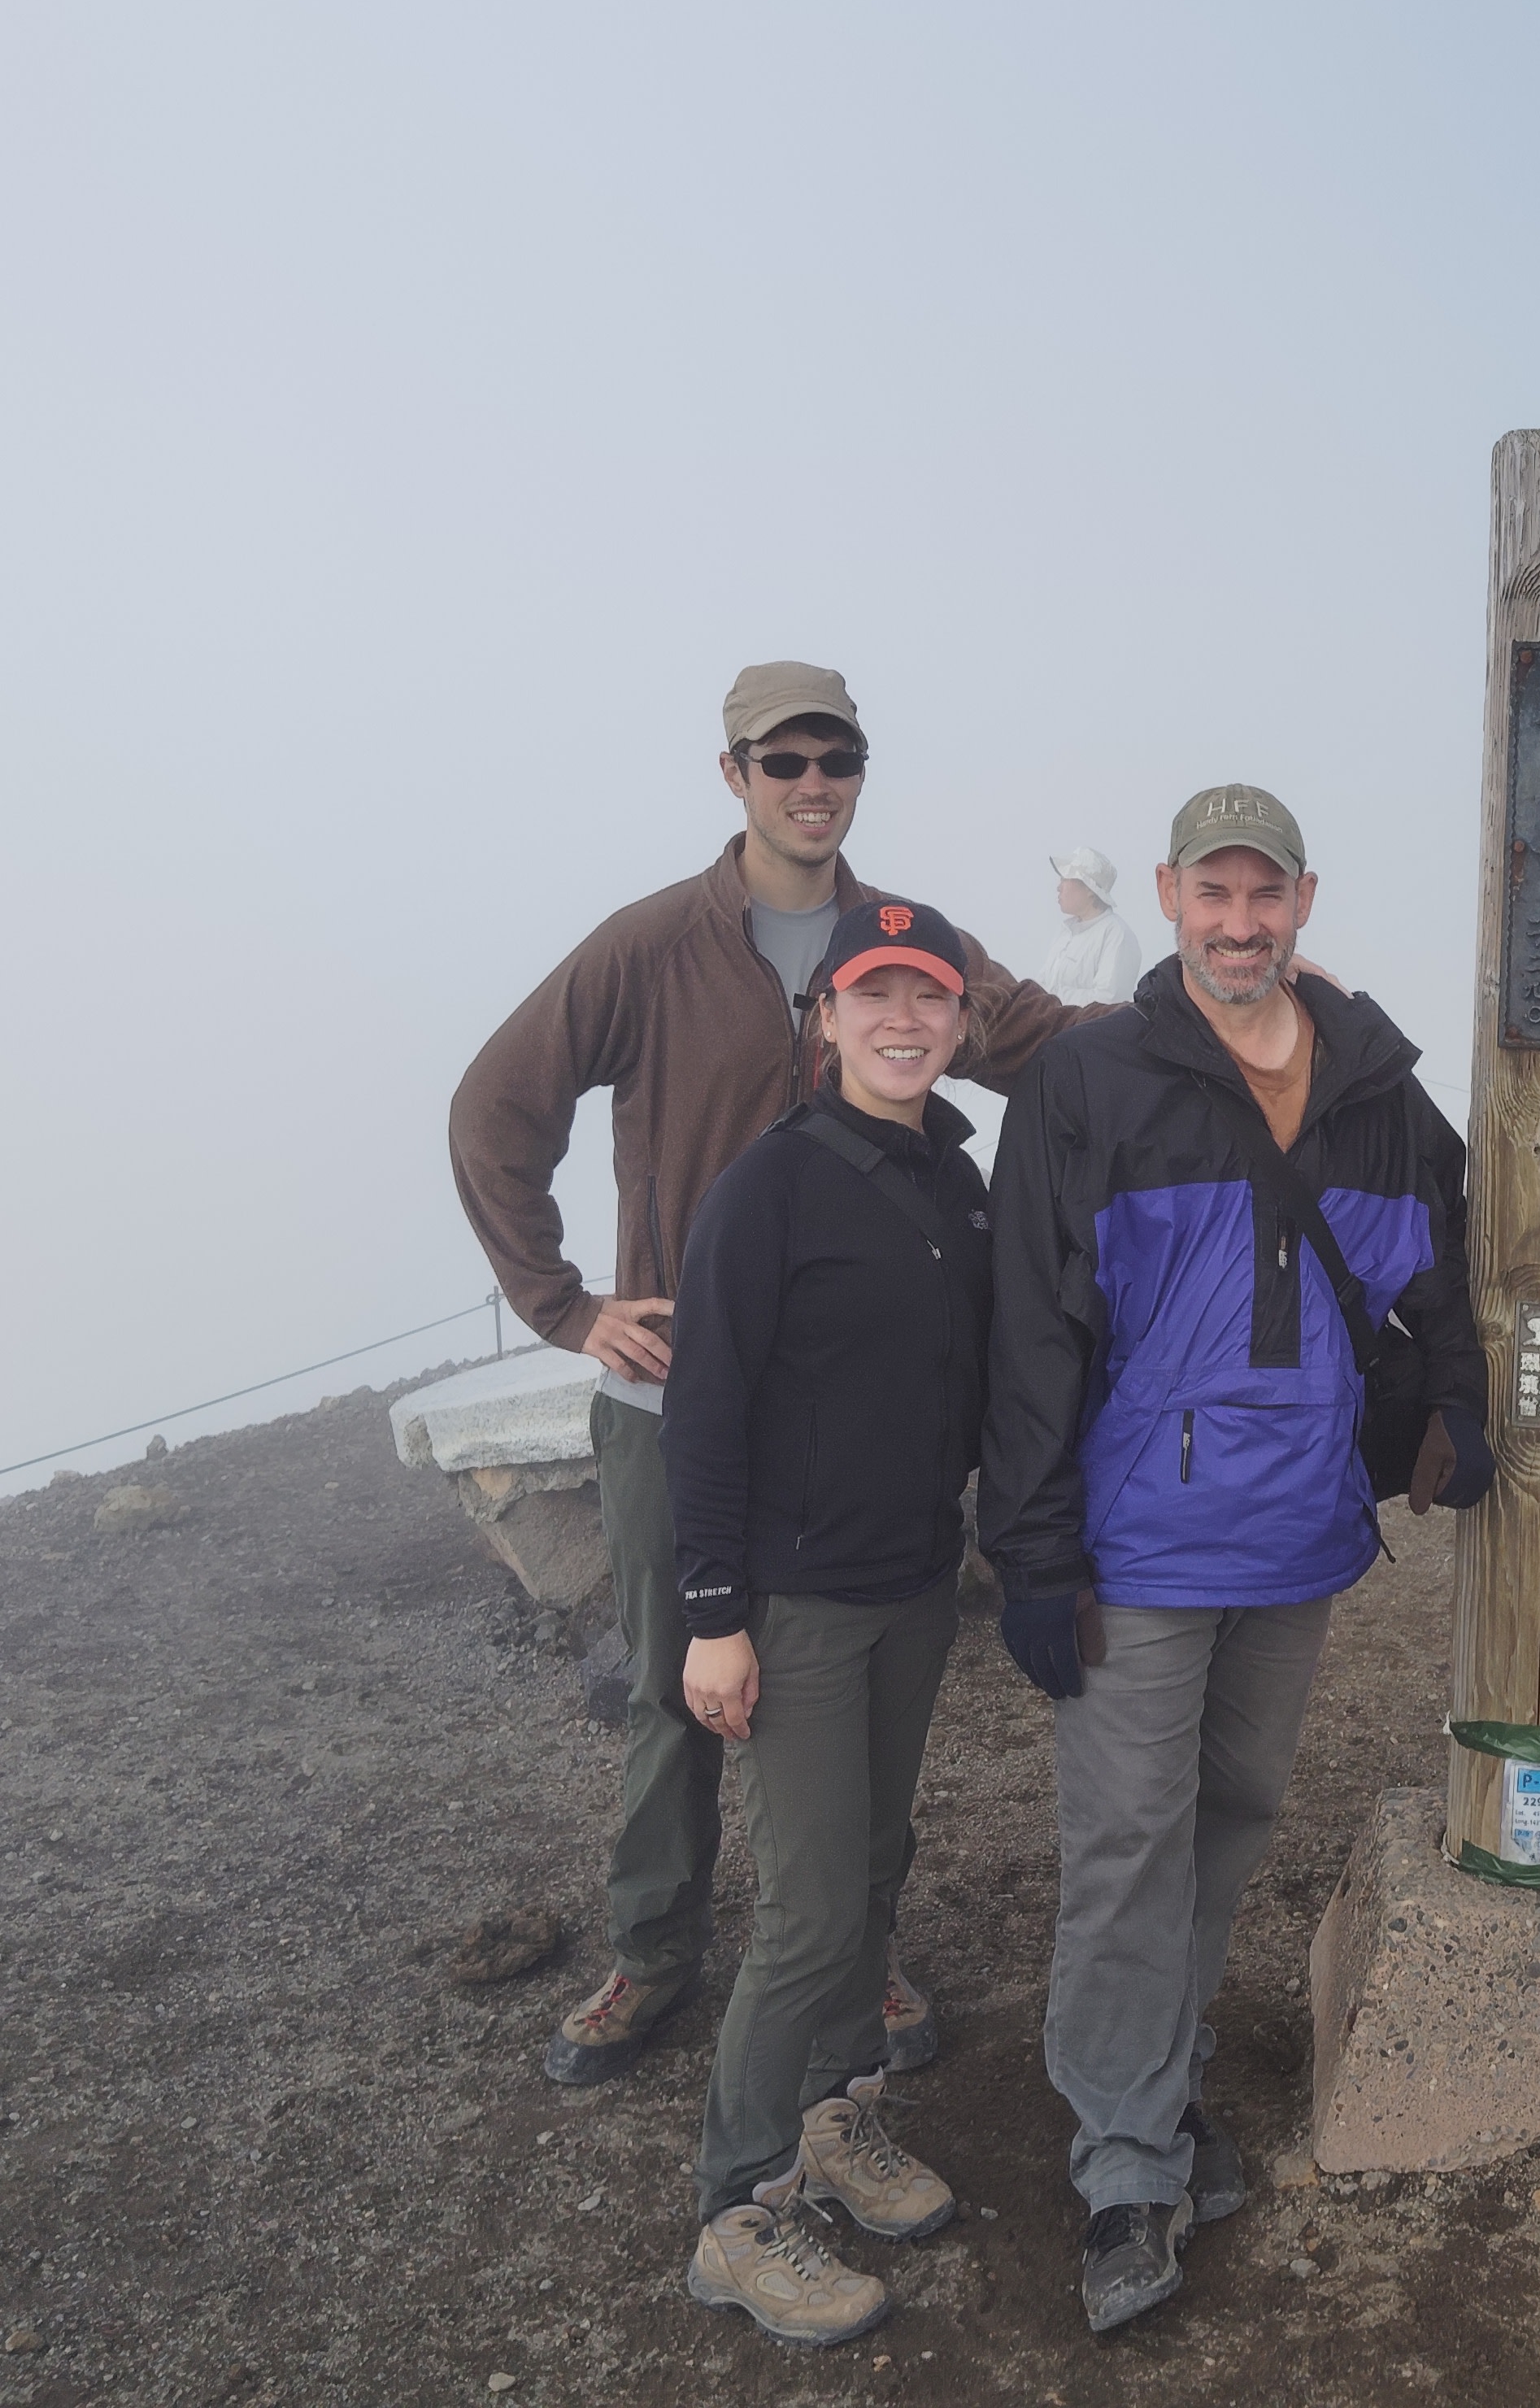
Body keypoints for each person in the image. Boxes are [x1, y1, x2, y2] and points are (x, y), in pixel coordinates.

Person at [450, 660, 1099, 2088]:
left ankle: (851, 1954)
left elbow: (1053, 1046)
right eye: (782, 758)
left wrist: (1226, 1010)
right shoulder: (648, 947)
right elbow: (497, 1109)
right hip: (674, 1398)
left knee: (853, 1702)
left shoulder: (907, 947)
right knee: (676, 1683)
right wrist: (563, 1306)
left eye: (837, 757)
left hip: (853, 1437)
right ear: (732, 773)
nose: (813, 783)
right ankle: (656, 1948)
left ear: (860, 771)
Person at [977, 782, 1490, 2336]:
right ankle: (1128, 2154)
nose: (1239, 921)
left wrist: (1460, 1398)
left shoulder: (1380, 1092)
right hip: (1135, 1541)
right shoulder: (1092, 1079)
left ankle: (1159, 2066)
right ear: (1170, 894)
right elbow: (1032, 1329)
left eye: (1265, 896)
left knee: (1231, 1815)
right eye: (1214, 893)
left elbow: (1447, 1260)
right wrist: (1032, 1546)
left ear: (1305, 904)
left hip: (1295, 1535)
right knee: (1129, 1835)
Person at [668, 900, 991, 2348]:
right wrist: (713, 1618)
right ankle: (738, 2209)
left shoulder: (961, 1184)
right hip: (795, 1606)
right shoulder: (772, 1188)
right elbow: (707, 1410)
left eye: (929, 997)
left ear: (962, 1021)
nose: (904, 1021)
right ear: (828, 1017)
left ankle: (840, 2115)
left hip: (914, 1584)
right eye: (877, 996)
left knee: (873, 1859)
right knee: (804, 1909)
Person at [1038, 847, 1146, 1004]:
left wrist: (1052, 999)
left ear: (1089, 889)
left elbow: (1108, 1000)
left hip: (1084, 1028)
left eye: (1065, 878)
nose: (1058, 887)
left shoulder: (1116, 934)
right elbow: (1042, 985)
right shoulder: (1065, 932)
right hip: (1052, 1027)